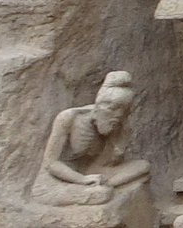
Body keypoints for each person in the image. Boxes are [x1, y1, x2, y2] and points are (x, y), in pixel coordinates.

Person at [31, 71, 152, 207]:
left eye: (123, 113)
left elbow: (106, 163)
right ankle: (98, 189)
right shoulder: (69, 118)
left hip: (91, 173)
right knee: (101, 195)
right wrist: (82, 180)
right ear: (99, 106)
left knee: (143, 166)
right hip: (58, 180)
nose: (117, 116)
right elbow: (51, 163)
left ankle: (106, 186)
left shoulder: (117, 126)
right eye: (112, 110)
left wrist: (118, 142)